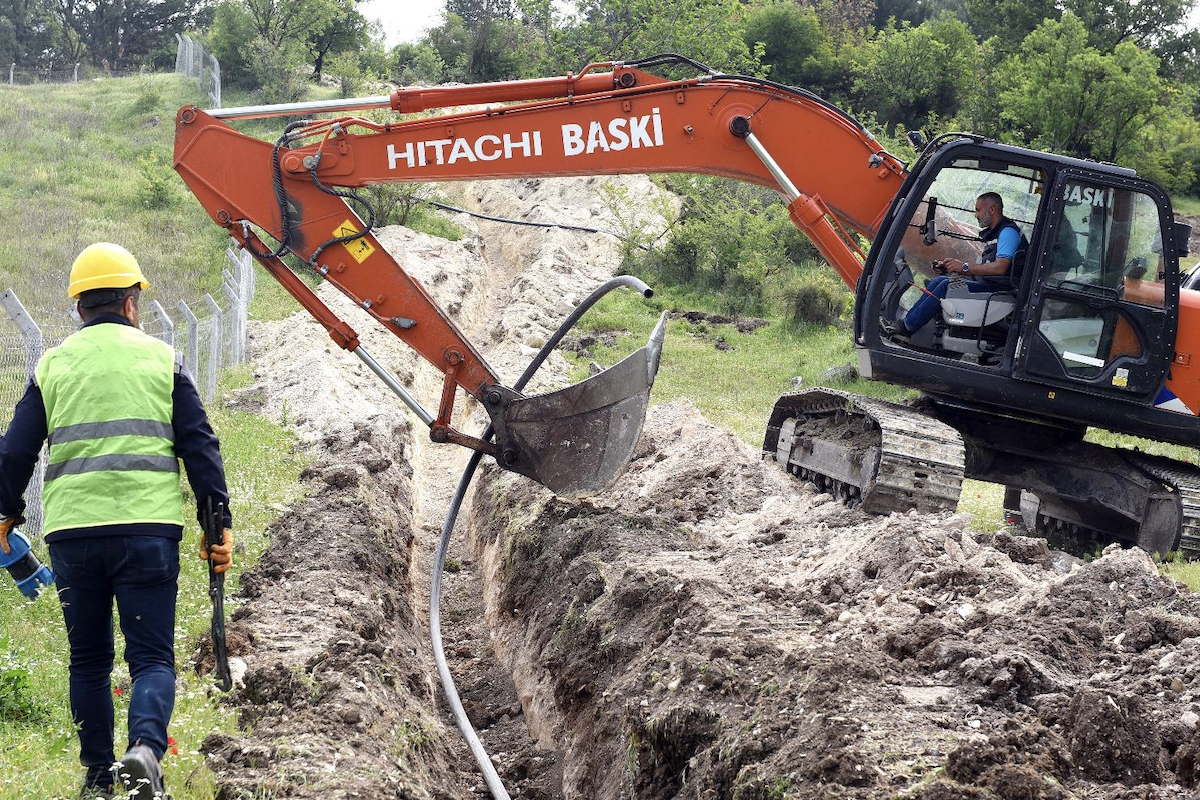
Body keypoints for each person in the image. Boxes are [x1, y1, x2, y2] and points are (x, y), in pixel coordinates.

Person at [0, 242, 233, 799]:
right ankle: (147, 754)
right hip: (149, 531)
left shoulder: (52, 365)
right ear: (132, 303)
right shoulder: (160, 359)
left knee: (88, 661)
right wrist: (215, 523)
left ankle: (98, 778)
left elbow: (13, 453)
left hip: (73, 535)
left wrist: (6, 513)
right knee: (151, 656)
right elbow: (200, 448)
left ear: (79, 307)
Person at [882, 191, 1028, 341]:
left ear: (992, 209)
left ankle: (906, 328)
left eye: (978, 210)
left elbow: (1000, 268)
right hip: (992, 286)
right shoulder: (996, 234)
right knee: (939, 281)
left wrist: (964, 267)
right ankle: (905, 324)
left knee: (946, 285)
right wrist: (950, 268)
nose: (975, 215)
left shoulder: (1008, 233)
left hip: (1002, 292)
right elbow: (987, 271)